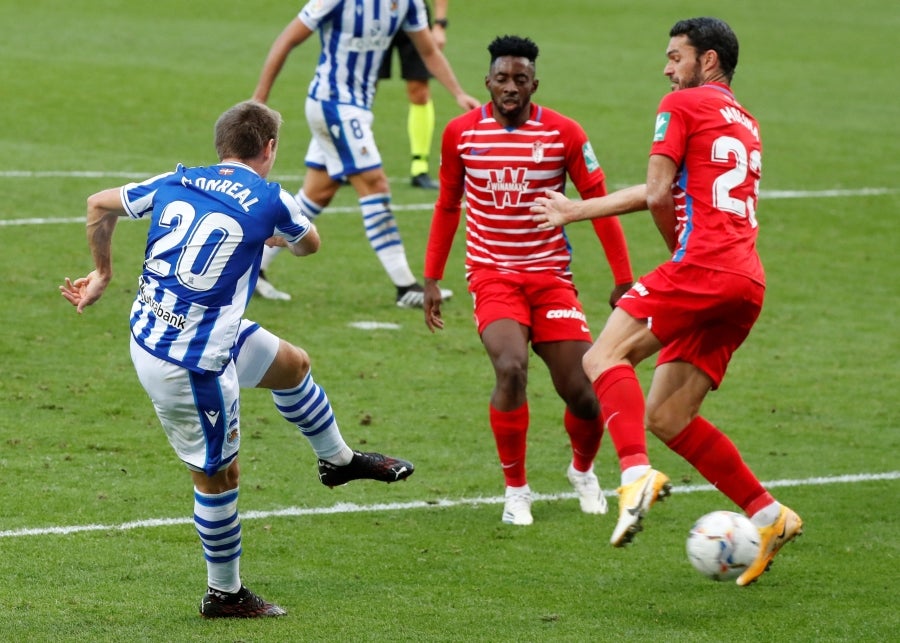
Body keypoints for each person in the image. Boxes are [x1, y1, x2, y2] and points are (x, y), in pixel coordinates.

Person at [59, 100, 415, 618]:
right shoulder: (272, 198)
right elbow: (309, 245)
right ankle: (224, 593)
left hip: (169, 328)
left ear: (220, 146)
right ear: (269, 148)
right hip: (188, 364)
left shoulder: (177, 180)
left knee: (292, 365)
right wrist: (274, 233)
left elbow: (98, 204)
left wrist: (103, 273)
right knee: (218, 477)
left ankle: (338, 462)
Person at [531, 17, 803, 585]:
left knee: (600, 358)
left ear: (707, 61)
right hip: (746, 281)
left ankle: (634, 476)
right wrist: (576, 210)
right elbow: (679, 192)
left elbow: (658, 193)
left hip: (704, 267)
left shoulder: (680, 106)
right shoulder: (745, 121)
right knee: (668, 415)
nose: (666, 67)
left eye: (675, 56)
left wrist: (673, 259)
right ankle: (770, 516)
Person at [423, 35, 635, 526]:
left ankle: (582, 470)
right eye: (502, 79)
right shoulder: (460, 134)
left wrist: (624, 278)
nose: (511, 87)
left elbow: (599, 207)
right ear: (488, 83)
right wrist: (431, 278)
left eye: (521, 79)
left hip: (551, 279)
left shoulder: (564, 133)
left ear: (534, 83)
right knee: (511, 367)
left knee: (584, 391)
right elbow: (447, 205)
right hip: (493, 276)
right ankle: (516, 490)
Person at [251, 0, 479, 307]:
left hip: (356, 108)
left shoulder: (408, 4)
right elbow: (287, 39)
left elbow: (428, 51)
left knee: (319, 191)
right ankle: (406, 286)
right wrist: (260, 98)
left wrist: (458, 92)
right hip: (332, 103)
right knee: (375, 184)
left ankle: (255, 264)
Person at [378, 0, 449, 190]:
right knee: (364, 88)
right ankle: (346, 161)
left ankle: (420, 168)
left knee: (420, 91)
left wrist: (440, 23)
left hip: (411, 12)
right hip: (373, 14)